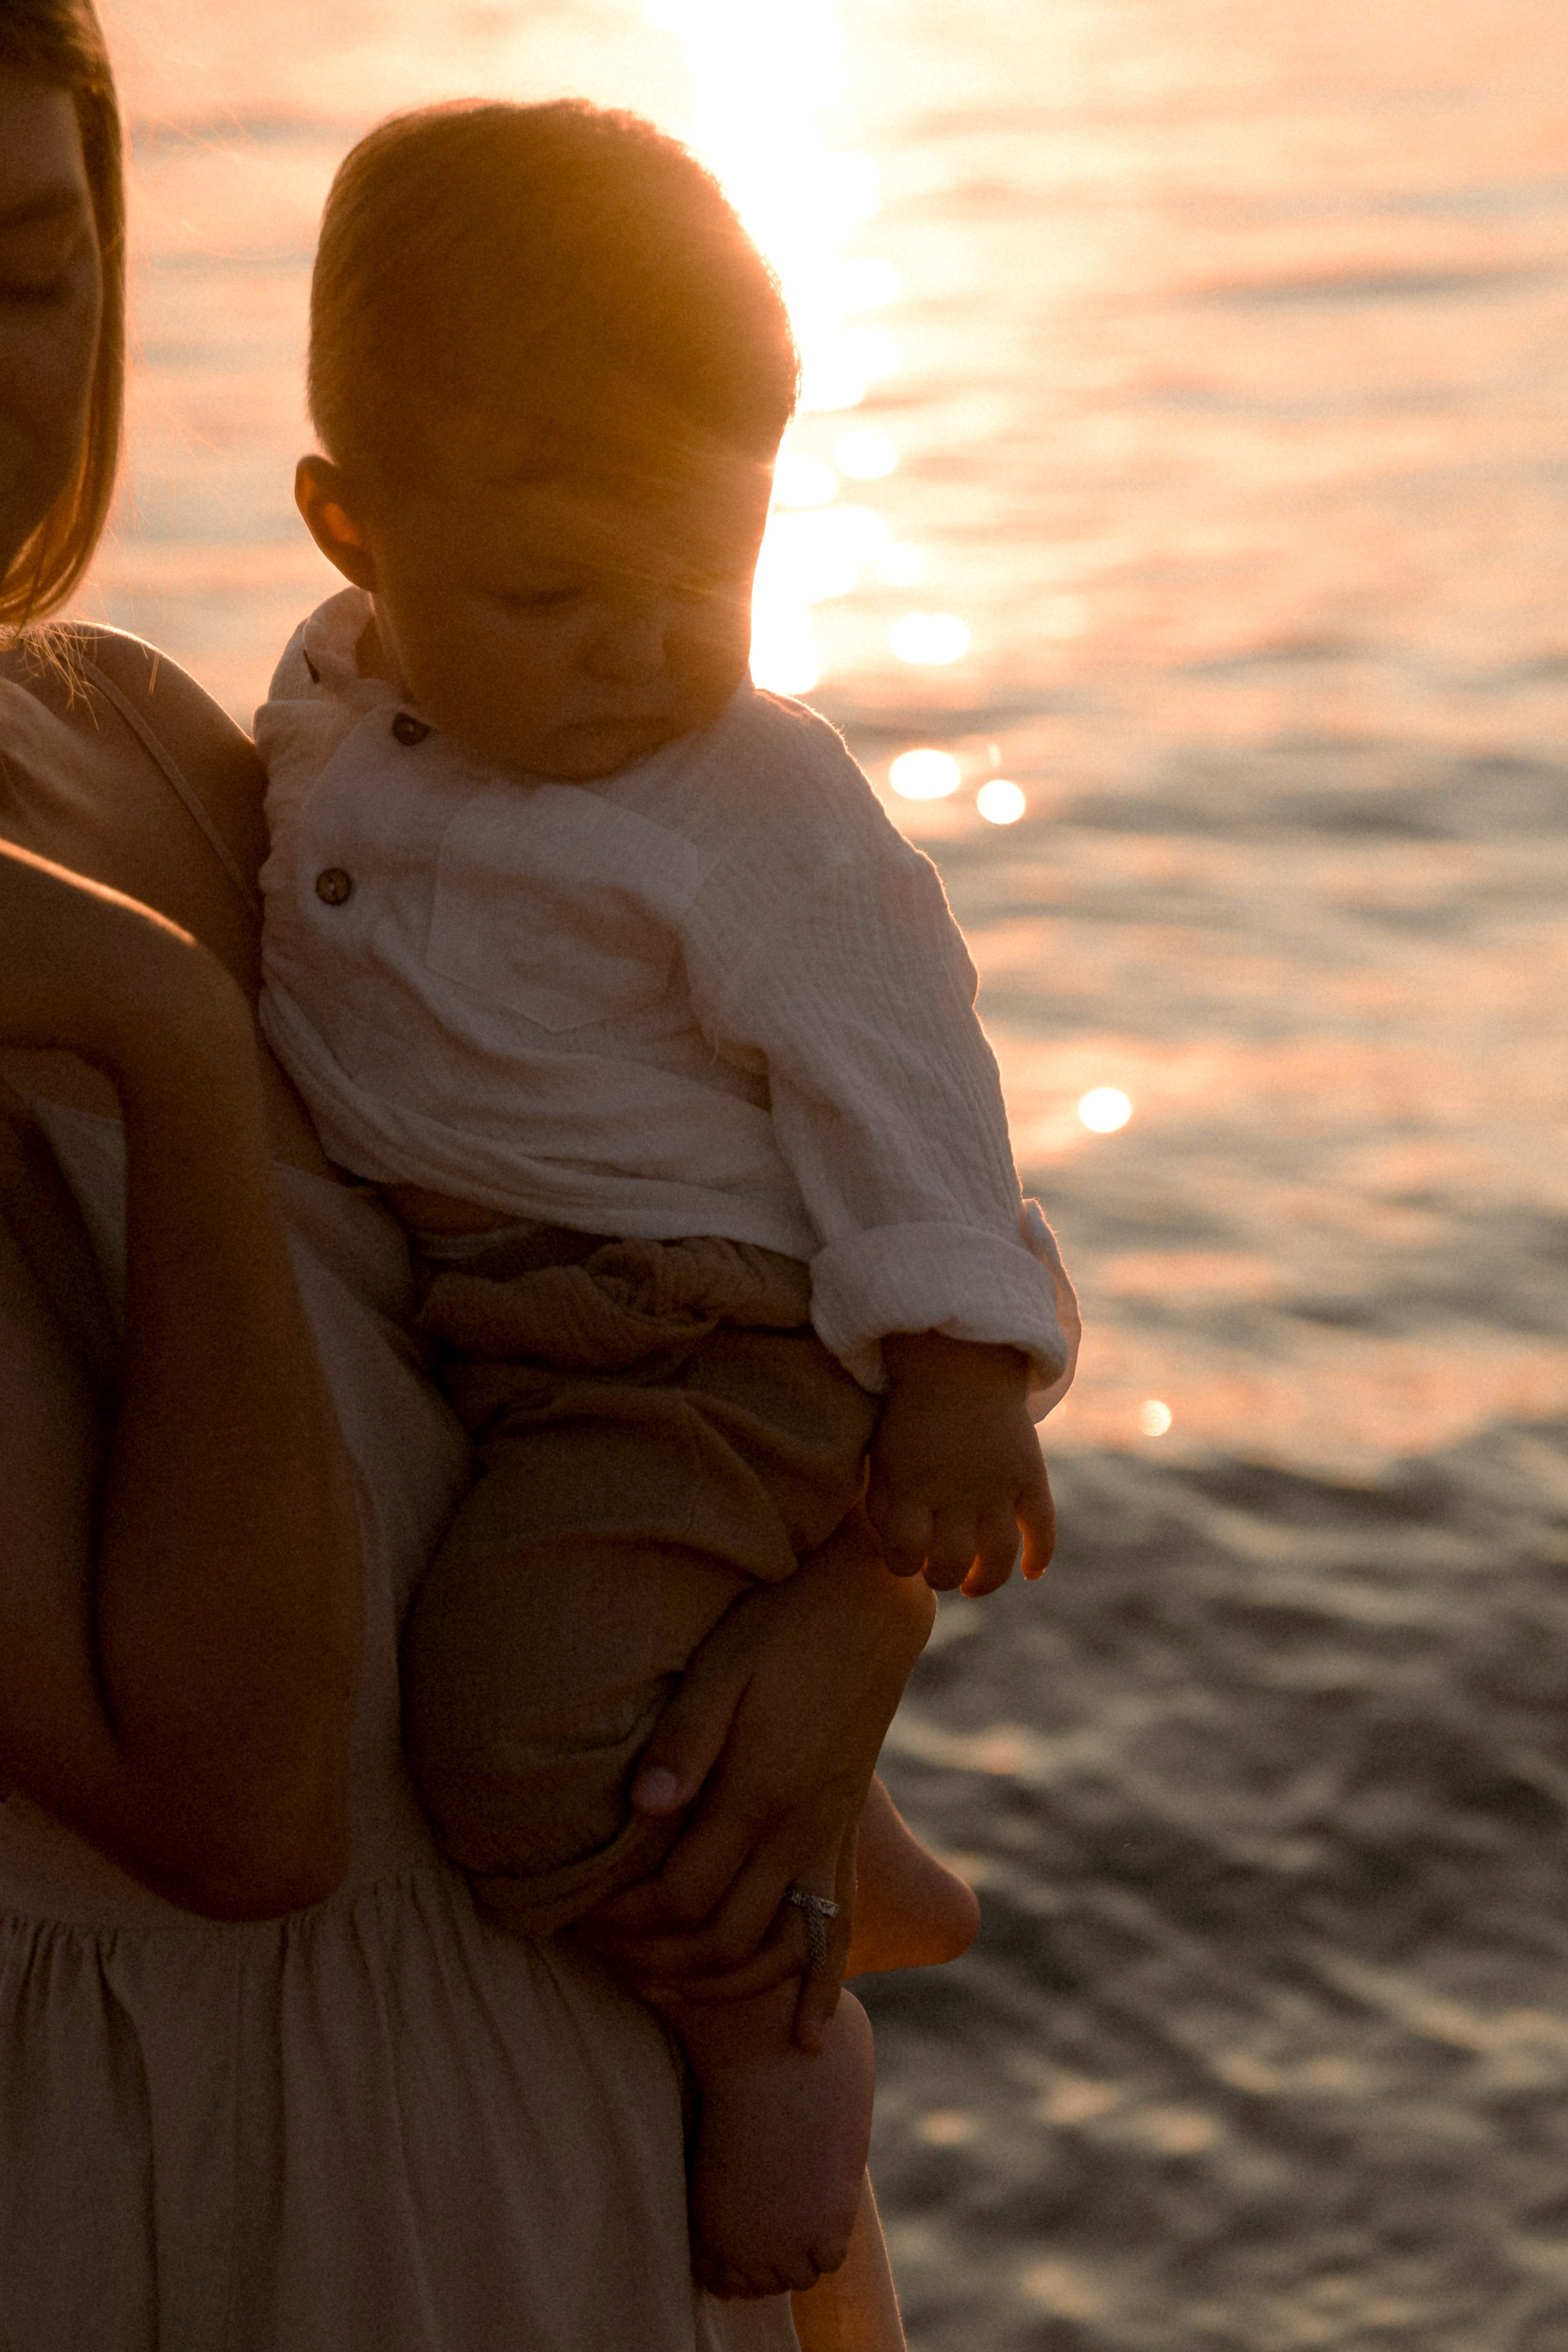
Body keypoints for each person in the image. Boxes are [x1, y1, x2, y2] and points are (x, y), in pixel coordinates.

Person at [0, 9, 939, 2344]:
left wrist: (858, 1612)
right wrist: (157, 1036)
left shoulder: (131, 731)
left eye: (23, 267)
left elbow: (589, 1215)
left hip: (589, 2155)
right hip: (230, 2218)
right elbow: (231, 1808)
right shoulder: (147, 917)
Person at [253, 101, 1078, 2302]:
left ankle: (771, 2014)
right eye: (548, 597)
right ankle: (848, 1836)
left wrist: (962, 1377)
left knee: (507, 1735)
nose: (641, 652)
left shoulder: (754, 802)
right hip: (504, 1328)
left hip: (696, 1344)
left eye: (709, 583)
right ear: (355, 531)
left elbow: (908, 1085)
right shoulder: (325, 708)